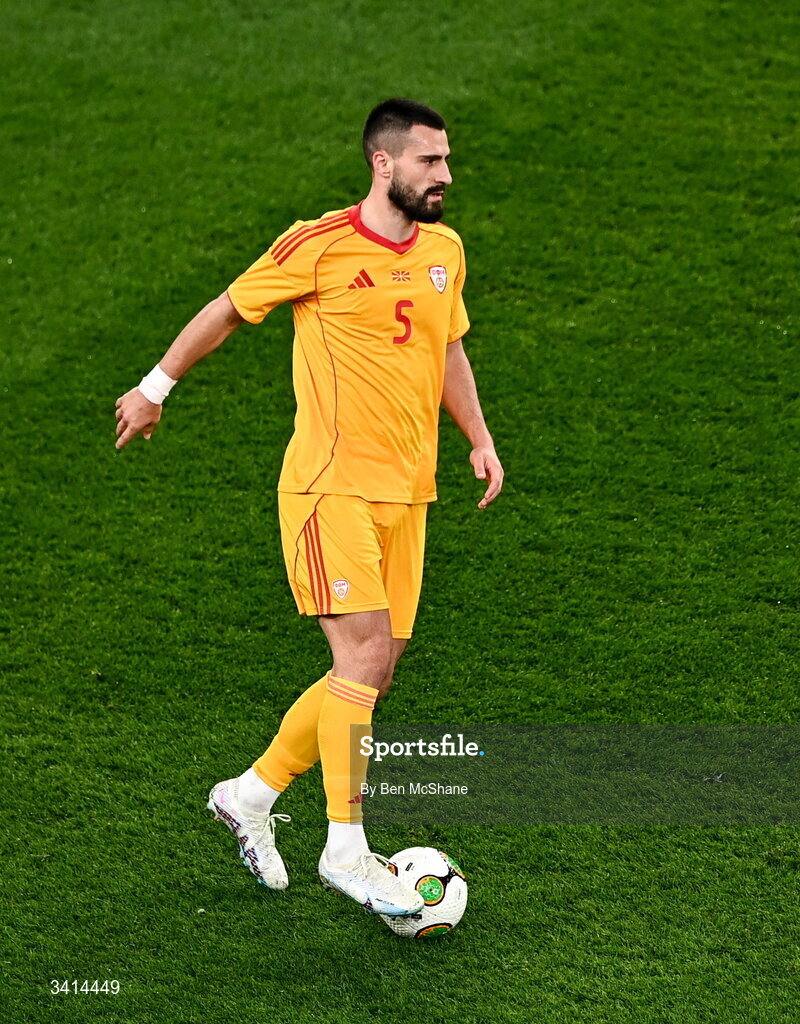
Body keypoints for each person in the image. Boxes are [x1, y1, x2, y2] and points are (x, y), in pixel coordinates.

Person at [115, 98, 504, 917]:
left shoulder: (445, 250)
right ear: (383, 163)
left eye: (445, 160)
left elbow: (448, 345)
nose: (444, 175)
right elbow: (229, 309)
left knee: (375, 670)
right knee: (362, 657)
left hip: (411, 491)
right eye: (429, 161)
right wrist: (155, 389)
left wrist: (477, 434)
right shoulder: (318, 246)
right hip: (330, 488)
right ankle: (347, 850)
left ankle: (249, 794)